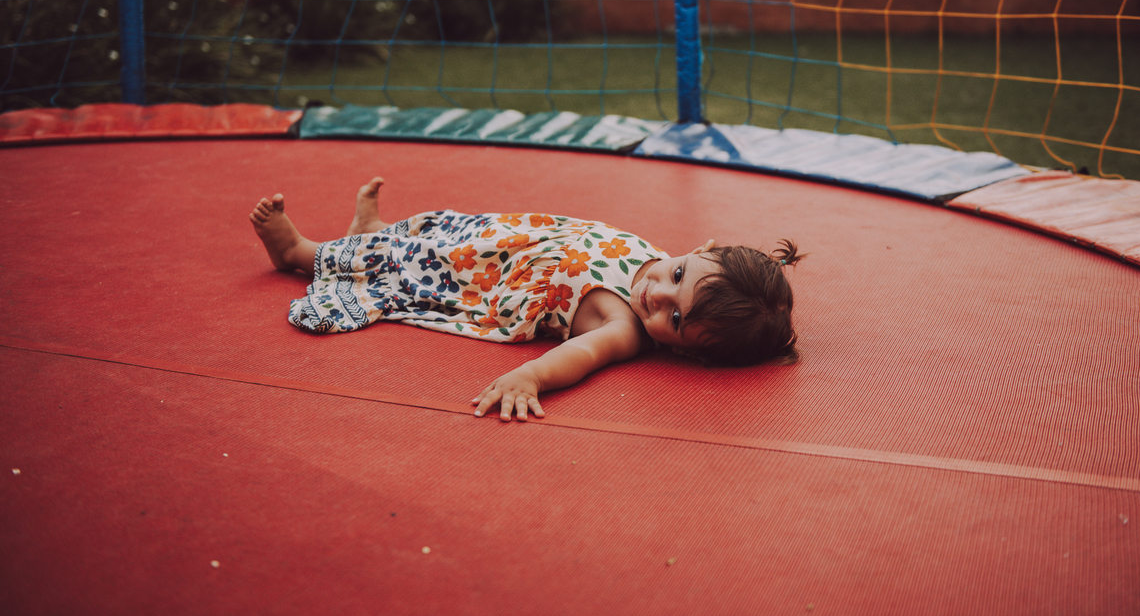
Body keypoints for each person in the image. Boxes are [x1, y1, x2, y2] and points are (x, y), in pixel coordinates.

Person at [250, 177, 802, 422]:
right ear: (700, 249)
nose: (654, 292)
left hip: (485, 281)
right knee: (432, 236)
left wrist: (530, 378)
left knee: (410, 267)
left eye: (673, 318)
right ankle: (373, 230)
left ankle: (298, 251)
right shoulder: (661, 267)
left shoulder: (623, 327)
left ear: (682, 348)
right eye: (676, 274)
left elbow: (580, 354)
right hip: (505, 244)